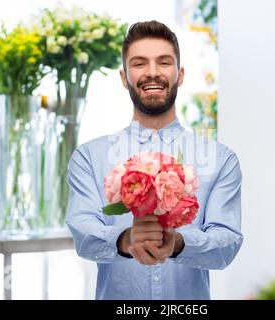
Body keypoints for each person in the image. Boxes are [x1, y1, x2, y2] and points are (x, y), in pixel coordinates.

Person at [66, 20, 243, 300]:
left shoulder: (221, 160)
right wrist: (125, 240)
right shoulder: (89, 157)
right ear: (124, 78)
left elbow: (227, 243)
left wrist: (179, 244)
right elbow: (84, 235)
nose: (152, 73)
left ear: (180, 74)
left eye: (163, 62)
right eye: (139, 64)